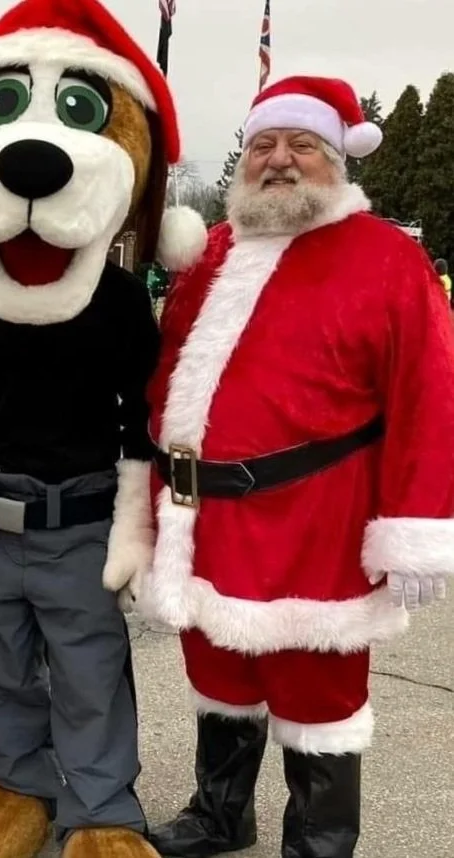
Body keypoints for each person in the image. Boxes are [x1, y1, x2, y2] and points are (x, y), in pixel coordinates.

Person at [0, 1, 207, 857]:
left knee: (88, 672)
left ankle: (102, 809)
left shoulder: (117, 300)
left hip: (80, 517)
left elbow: (142, 411)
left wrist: (135, 521)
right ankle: (15, 785)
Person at [143, 76, 454, 858]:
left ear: (336, 160)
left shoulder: (389, 257)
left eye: (302, 145)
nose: (279, 160)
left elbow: (430, 394)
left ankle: (319, 842)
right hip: (208, 521)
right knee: (219, 673)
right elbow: (169, 376)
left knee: (318, 692)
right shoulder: (214, 253)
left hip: (319, 518)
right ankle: (220, 814)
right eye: (264, 145)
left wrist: (415, 527)